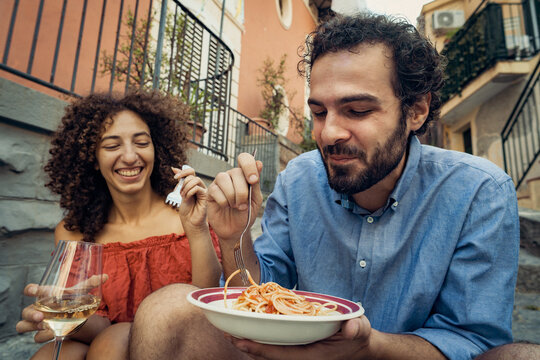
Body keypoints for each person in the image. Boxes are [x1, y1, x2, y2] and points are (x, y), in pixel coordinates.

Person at [128, 13, 522, 359]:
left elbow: (472, 341)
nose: (329, 132)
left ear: (416, 110)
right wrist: (236, 237)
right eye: (318, 111)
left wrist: (368, 348)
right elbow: (262, 296)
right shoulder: (300, 177)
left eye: (358, 110)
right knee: (166, 310)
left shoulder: (479, 191)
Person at [15, 90, 222, 359]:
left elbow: (203, 304)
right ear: (92, 157)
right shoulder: (74, 232)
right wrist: (61, 315)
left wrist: (197, 230)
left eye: (142, 143)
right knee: (51, 355)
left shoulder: (187, 214)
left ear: (157, 148)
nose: (129, 156)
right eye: (112, 146)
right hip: (105, 343)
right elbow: (98, 325)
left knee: (115, 340)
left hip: (182, 343)